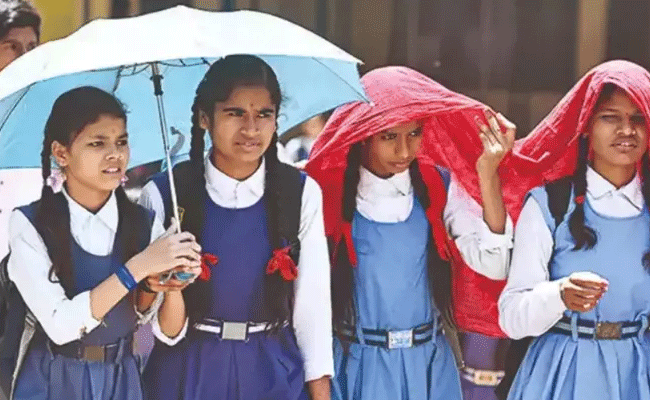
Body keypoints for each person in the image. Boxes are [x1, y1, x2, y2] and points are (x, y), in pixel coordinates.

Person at [304, 66, 514, 400]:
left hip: (428, 366)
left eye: (414, 133)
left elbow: (494, 264)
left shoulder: (438, 186)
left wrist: (487, 176)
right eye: (389, 136)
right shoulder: (326, 192)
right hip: (357, 364)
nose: (404, 151)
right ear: (363, 133)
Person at [140, 55, 333, 400]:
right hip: (185, 371)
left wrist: (320, 393)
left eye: (264, 114)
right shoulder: (166, 194)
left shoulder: (300, 193)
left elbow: (312, 308)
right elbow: (152, 319)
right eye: (235, 113)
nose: (251, 129)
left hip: (272, 371)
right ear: (204, 118)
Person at [7, 86, 201, 399]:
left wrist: (172, 282)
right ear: (61, 153)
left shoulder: (143, 223)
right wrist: (138, 267)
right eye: (97, 143)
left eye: (121, 142)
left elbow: (170, 333)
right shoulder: (30, 224)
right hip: (52, 379)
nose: (115, 154)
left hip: (121, 379)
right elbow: (61, 326)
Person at [499, 60, 650, 400]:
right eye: (610, 117)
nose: (627, 130)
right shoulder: (549, 205)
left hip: (637, 376)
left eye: (638, 118)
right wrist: (558, 295)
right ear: (585, 127)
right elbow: (511, 317)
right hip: (561, 375)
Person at [0, 0, 42, 260]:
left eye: (31, 47)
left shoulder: (45, 109)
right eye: (12, 47)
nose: (24, 57)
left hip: (27, 253)